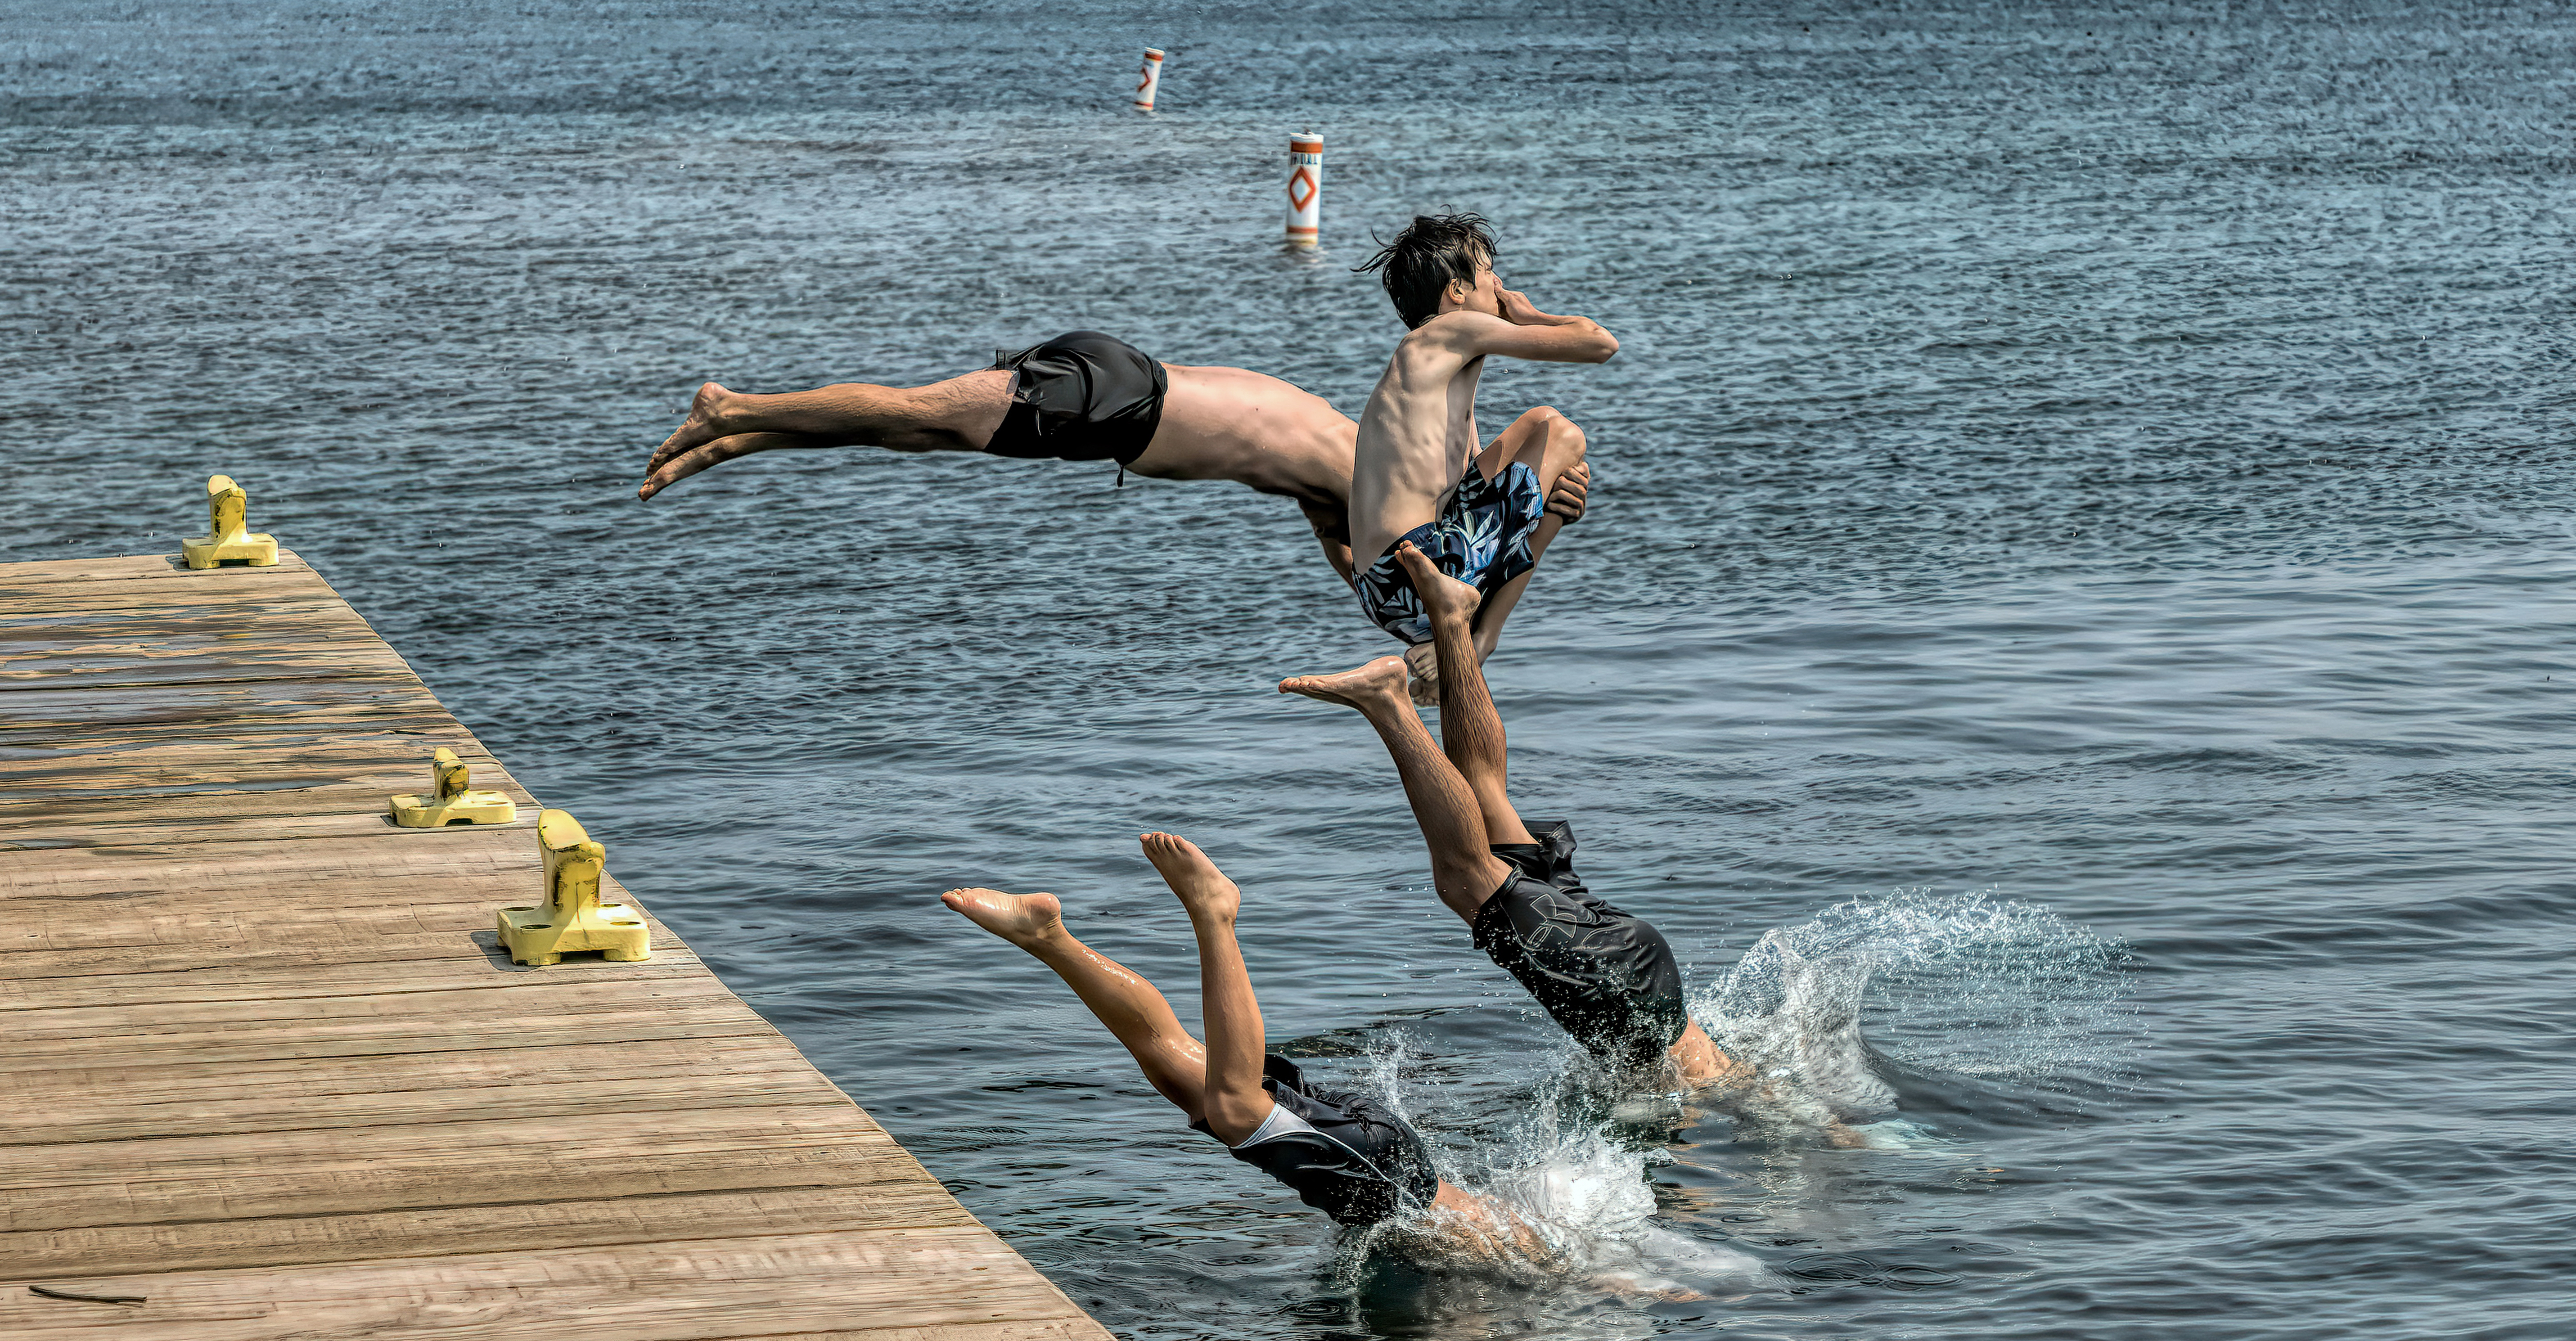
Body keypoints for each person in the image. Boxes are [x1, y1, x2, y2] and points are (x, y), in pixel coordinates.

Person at [638, 332, 1591, 608]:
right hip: (1124, 402)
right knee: (918, 413)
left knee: (921, 432)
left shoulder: (1355, 477)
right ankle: (736, 408)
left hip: (1119, 403)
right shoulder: (1376, 477)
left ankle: (745, 437)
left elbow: (1364, 562)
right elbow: (1394, 565)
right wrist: (1537, 516)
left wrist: (1539, 506)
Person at [1281, 542, 1749, 1091]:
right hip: (1625, 994)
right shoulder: (1727, 1094)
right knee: (1465, 878)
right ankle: (1389, 702)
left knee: (1486, 799)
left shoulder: (1744, 1075)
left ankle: (1451, 617)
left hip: (1638, 970)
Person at [941, 831, 1544, 1247]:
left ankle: (1048, 938)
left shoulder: (1507, 1233)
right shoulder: (1520, 1256)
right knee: (1235, 1108)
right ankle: (1215, 911)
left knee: (1184, 1075)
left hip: (1380, 1159)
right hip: (1385, 1175)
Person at [1345, 214, 1612, 688]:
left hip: (1382, 587)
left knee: (1543, 431)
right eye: (1489, 272)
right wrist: (1531, 316)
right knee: (1564, 434)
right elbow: (1599, 344)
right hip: (1421, 575)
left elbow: (1477, 497)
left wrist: (1550, 504)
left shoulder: (1425, 369)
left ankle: (1454, 639)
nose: (1501, 284)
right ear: (1457, 292)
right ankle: (1483, 640)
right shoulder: (1448, 331)